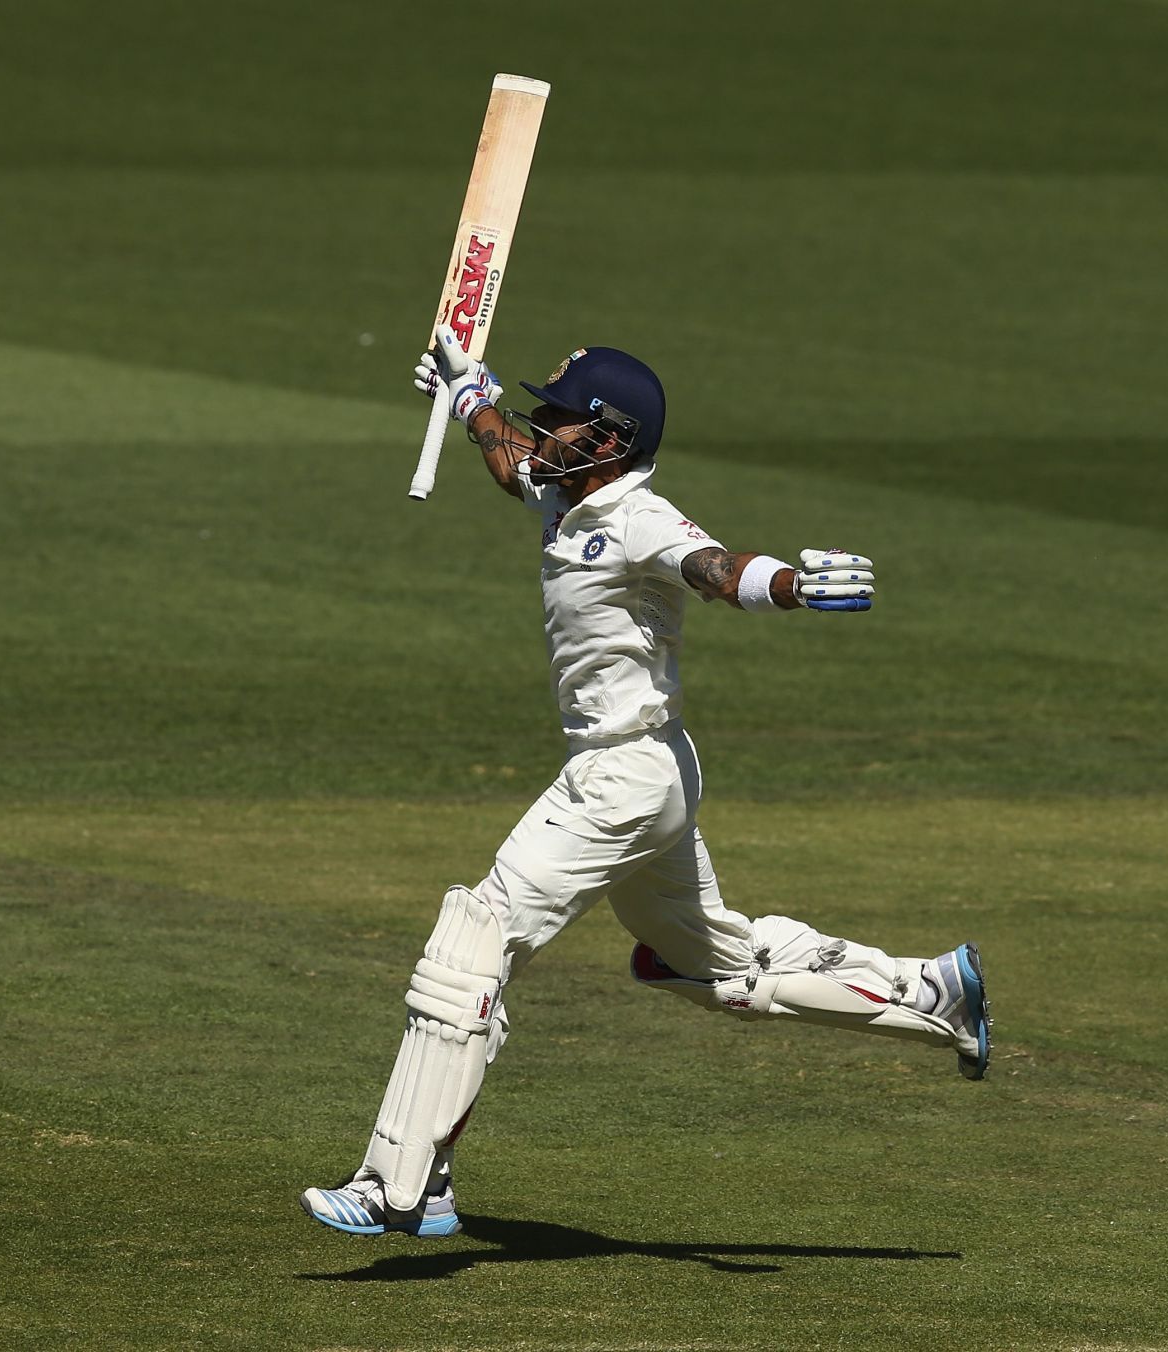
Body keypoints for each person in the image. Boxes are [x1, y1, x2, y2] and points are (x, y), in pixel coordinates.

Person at [300, 329, 989, 1237]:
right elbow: (513, 466)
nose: (539, 432)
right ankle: (934, 992)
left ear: (609, 439)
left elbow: (714, 568)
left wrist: (788, 585)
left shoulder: (637, 517)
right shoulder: (566, 494)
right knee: (708, 963)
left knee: (473, 941)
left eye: (558, 421)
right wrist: (471, 398)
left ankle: (402, 1186)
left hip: (620, 780)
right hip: (652, 773)